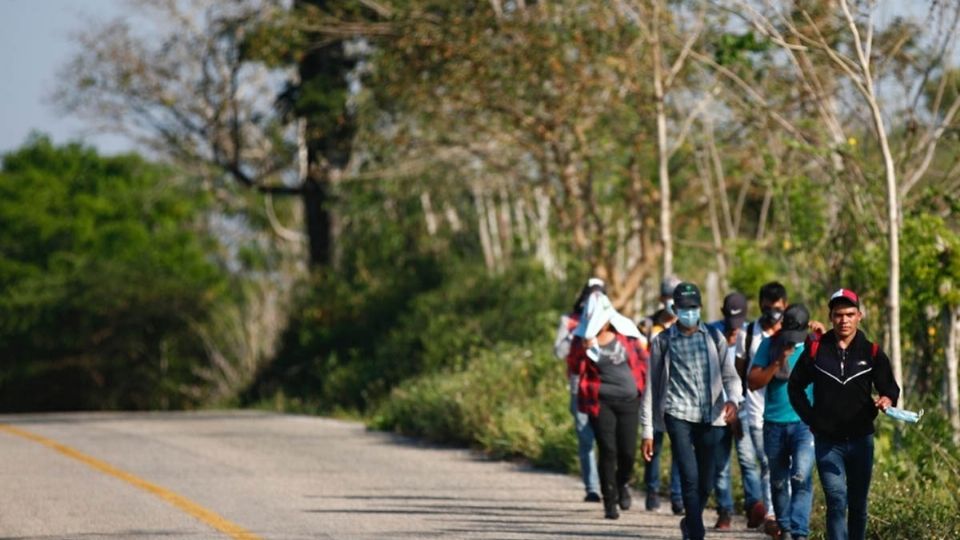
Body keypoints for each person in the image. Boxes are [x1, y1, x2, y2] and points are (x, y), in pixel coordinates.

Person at [788, 289, 901, 540]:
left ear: (859, 316)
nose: (844, 320)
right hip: (829, 442)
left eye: (850, 314)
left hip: (861, 440)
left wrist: (887, 399)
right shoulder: (816, 350)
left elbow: (889, 387)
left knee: (858, 505)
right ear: (830, 317)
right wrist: (811, 418)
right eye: (839, 315)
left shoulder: (871, 352)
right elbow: (794, 387)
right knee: (837, 500)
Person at [641, 282, 742, 540]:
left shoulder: (714, 337)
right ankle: (696, 533)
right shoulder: (662, 341)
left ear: (699, 308)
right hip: (678, 414)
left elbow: (730, 375)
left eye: (694, 307)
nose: (689, 312)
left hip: (712, 415)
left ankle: (690, 520)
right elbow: (651, 387)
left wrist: (734, 400)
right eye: (684, 308)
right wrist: (647, 431)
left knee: (707, 479)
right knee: (689, 475)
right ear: (675, 309)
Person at [570, 292, 648, 519]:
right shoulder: (582, 341)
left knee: (627, 453)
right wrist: (584, 350)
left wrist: (647, 389)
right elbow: (574, 367)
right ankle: (609, 501)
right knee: (608, 450)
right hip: (600, 402)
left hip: (629, 401)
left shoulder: (625, 334)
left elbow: (643, 361)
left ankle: (622, 482)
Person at [749, 304, 816, 540]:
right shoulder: (769, 345)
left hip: (804, 424)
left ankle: (799, 532)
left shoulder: (815, 345)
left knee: (801, 474)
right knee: (778, 481)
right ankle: (785, 528)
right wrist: (778, 361)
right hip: (774, 423)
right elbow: (753, 382)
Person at [707, 292, 764, 531]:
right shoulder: (709, 333)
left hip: (743, 408)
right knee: (720, 464)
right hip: (717, 409)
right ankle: (725, 511)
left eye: (737, 323)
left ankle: (754, 507)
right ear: (722, 313)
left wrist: (737, 405)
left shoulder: (751, 334)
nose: (733, 330)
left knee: (748, 460)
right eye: (730, 324)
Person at [738, 281, 789, 533]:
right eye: (768, 308)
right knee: (766, 462)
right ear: (760, 306)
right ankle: (770, 514)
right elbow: (740, 373)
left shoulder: (792, 334)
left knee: (778, 465)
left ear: (786, 306)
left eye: (778, 308)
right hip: (755, 412)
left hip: (786, 412)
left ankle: (778, 514)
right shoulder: (748, 334)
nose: (773, 313)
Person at [553, 277, 604, 502]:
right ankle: (592, 487)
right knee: (586, 438)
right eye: (589, 294)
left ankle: (610, 484)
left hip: (606, 387)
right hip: (578, 387)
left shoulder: (610, 323)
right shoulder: (569, 321)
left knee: (608, 439)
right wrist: (577, 336)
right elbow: (558, 351)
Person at [641, 276, 684, 514]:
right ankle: (652, 490)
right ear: (661, 299)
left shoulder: (688, 326)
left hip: (679, 397)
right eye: (669, 297)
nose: (672, 302)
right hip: (655, 394)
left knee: (680, 448)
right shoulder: (647, 326)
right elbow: (638, 358)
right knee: (653, 447)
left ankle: (677, 496)